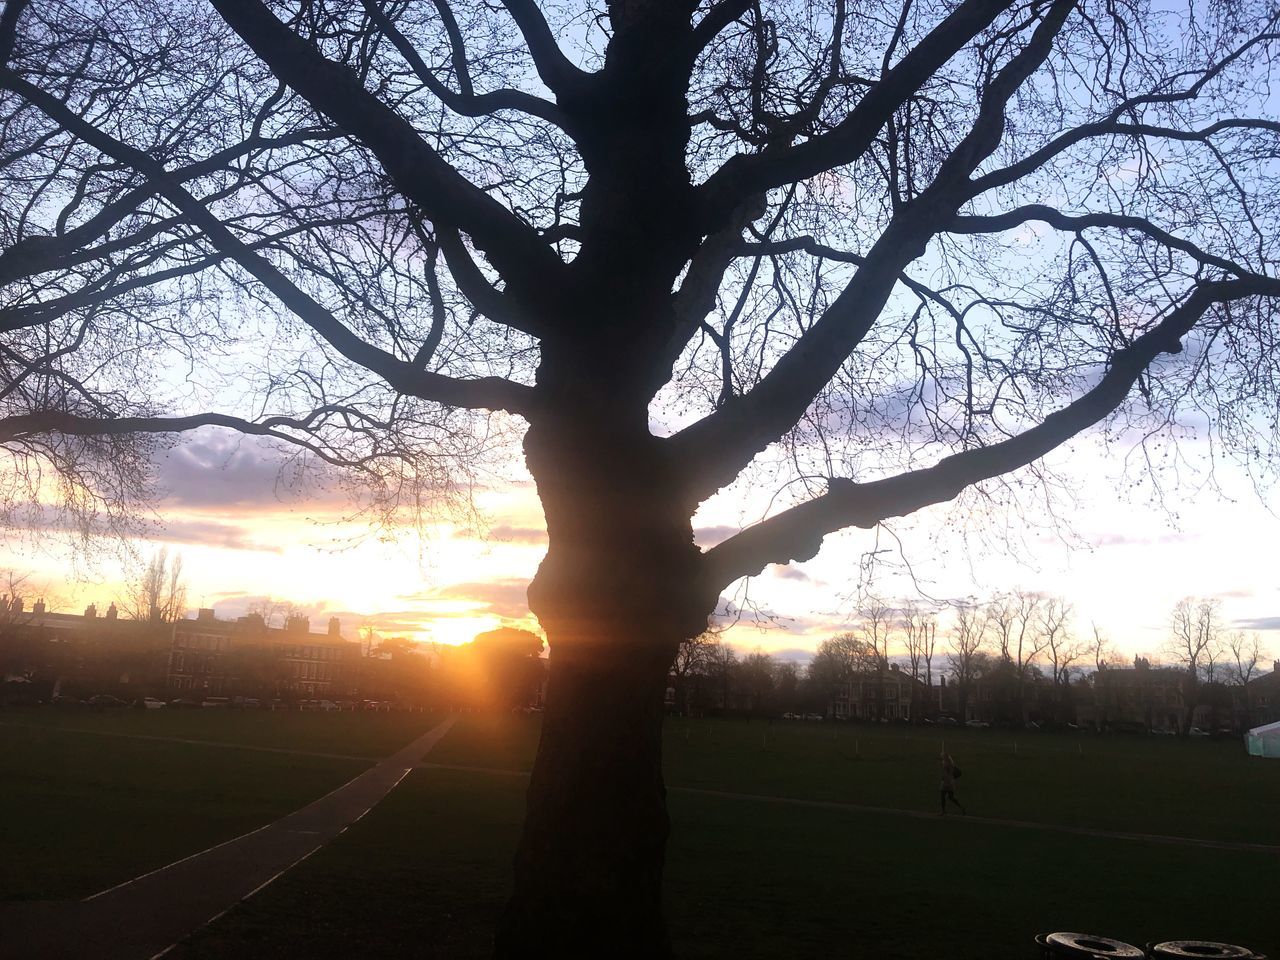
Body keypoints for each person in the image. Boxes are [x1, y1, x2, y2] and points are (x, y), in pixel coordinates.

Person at [939, 751, 966, 816]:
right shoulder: (951, 764)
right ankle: (961, 808)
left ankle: (943, 811)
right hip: (950, 783)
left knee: (943, 796)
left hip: (946, 783)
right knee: (951, 797)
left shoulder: (946, 764)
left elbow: (946, 773)